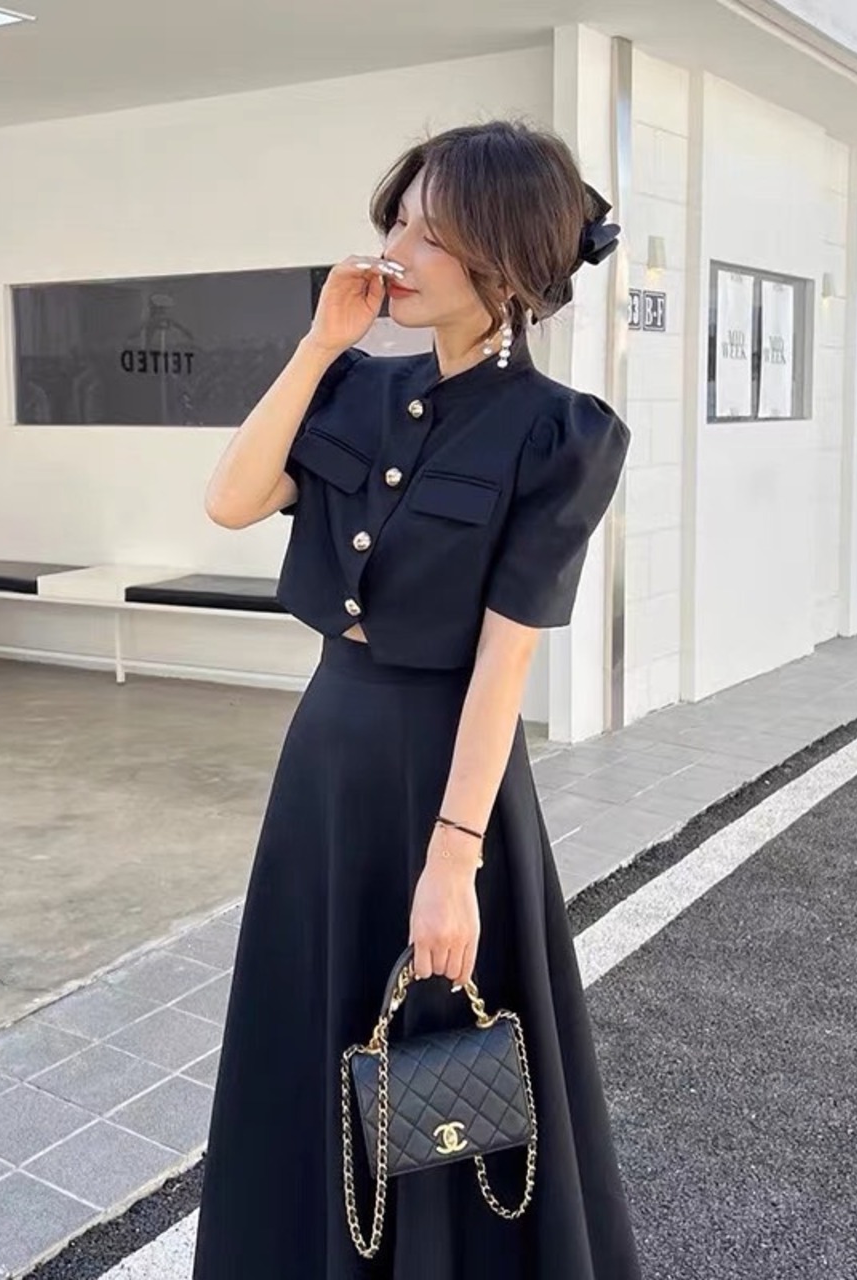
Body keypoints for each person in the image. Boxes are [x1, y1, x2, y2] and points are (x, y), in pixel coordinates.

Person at [192, 119, 642, 1279]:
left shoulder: (560, 433)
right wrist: (315, 345)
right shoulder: (347, 384)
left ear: (504, 261)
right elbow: (231, 500)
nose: (396, 250)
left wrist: (452, 860)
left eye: (430, 233)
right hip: (325, 759)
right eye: (395, 219)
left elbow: (503, 660)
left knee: (443, 1048)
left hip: (448, 771)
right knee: (314, 1025)